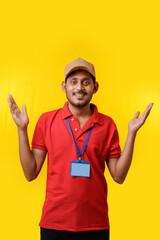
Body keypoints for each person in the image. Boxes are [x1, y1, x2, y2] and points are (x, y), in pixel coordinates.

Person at [8, 58, 153, 240]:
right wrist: (22, 130)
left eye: (86, 82)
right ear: (64, 86)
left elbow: (119, 176)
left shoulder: (107, 124)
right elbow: (30, 173)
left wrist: (132, 133)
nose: (79, 88)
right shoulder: (47, 121)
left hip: (95, 224)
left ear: (95, 87)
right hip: (54, 224)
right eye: (73, 82)